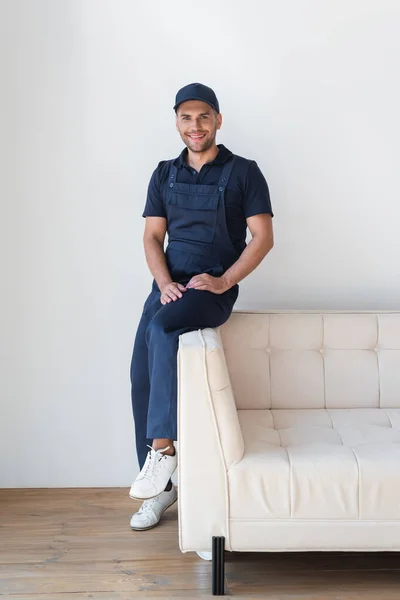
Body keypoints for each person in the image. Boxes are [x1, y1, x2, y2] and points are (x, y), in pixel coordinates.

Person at [129, 82, 274, 531]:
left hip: (210, 291)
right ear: (177, 121)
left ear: (218, 120)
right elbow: (153, 238)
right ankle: (161, 490)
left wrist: (225, 280)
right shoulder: (163, 174)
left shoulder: (245, 172)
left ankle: (163, 451)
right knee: (139, 376)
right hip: (169, 286)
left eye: (203, 117)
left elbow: (263, 238)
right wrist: (165, 282)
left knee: (161, 330)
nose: (195, 126)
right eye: (186, 117)